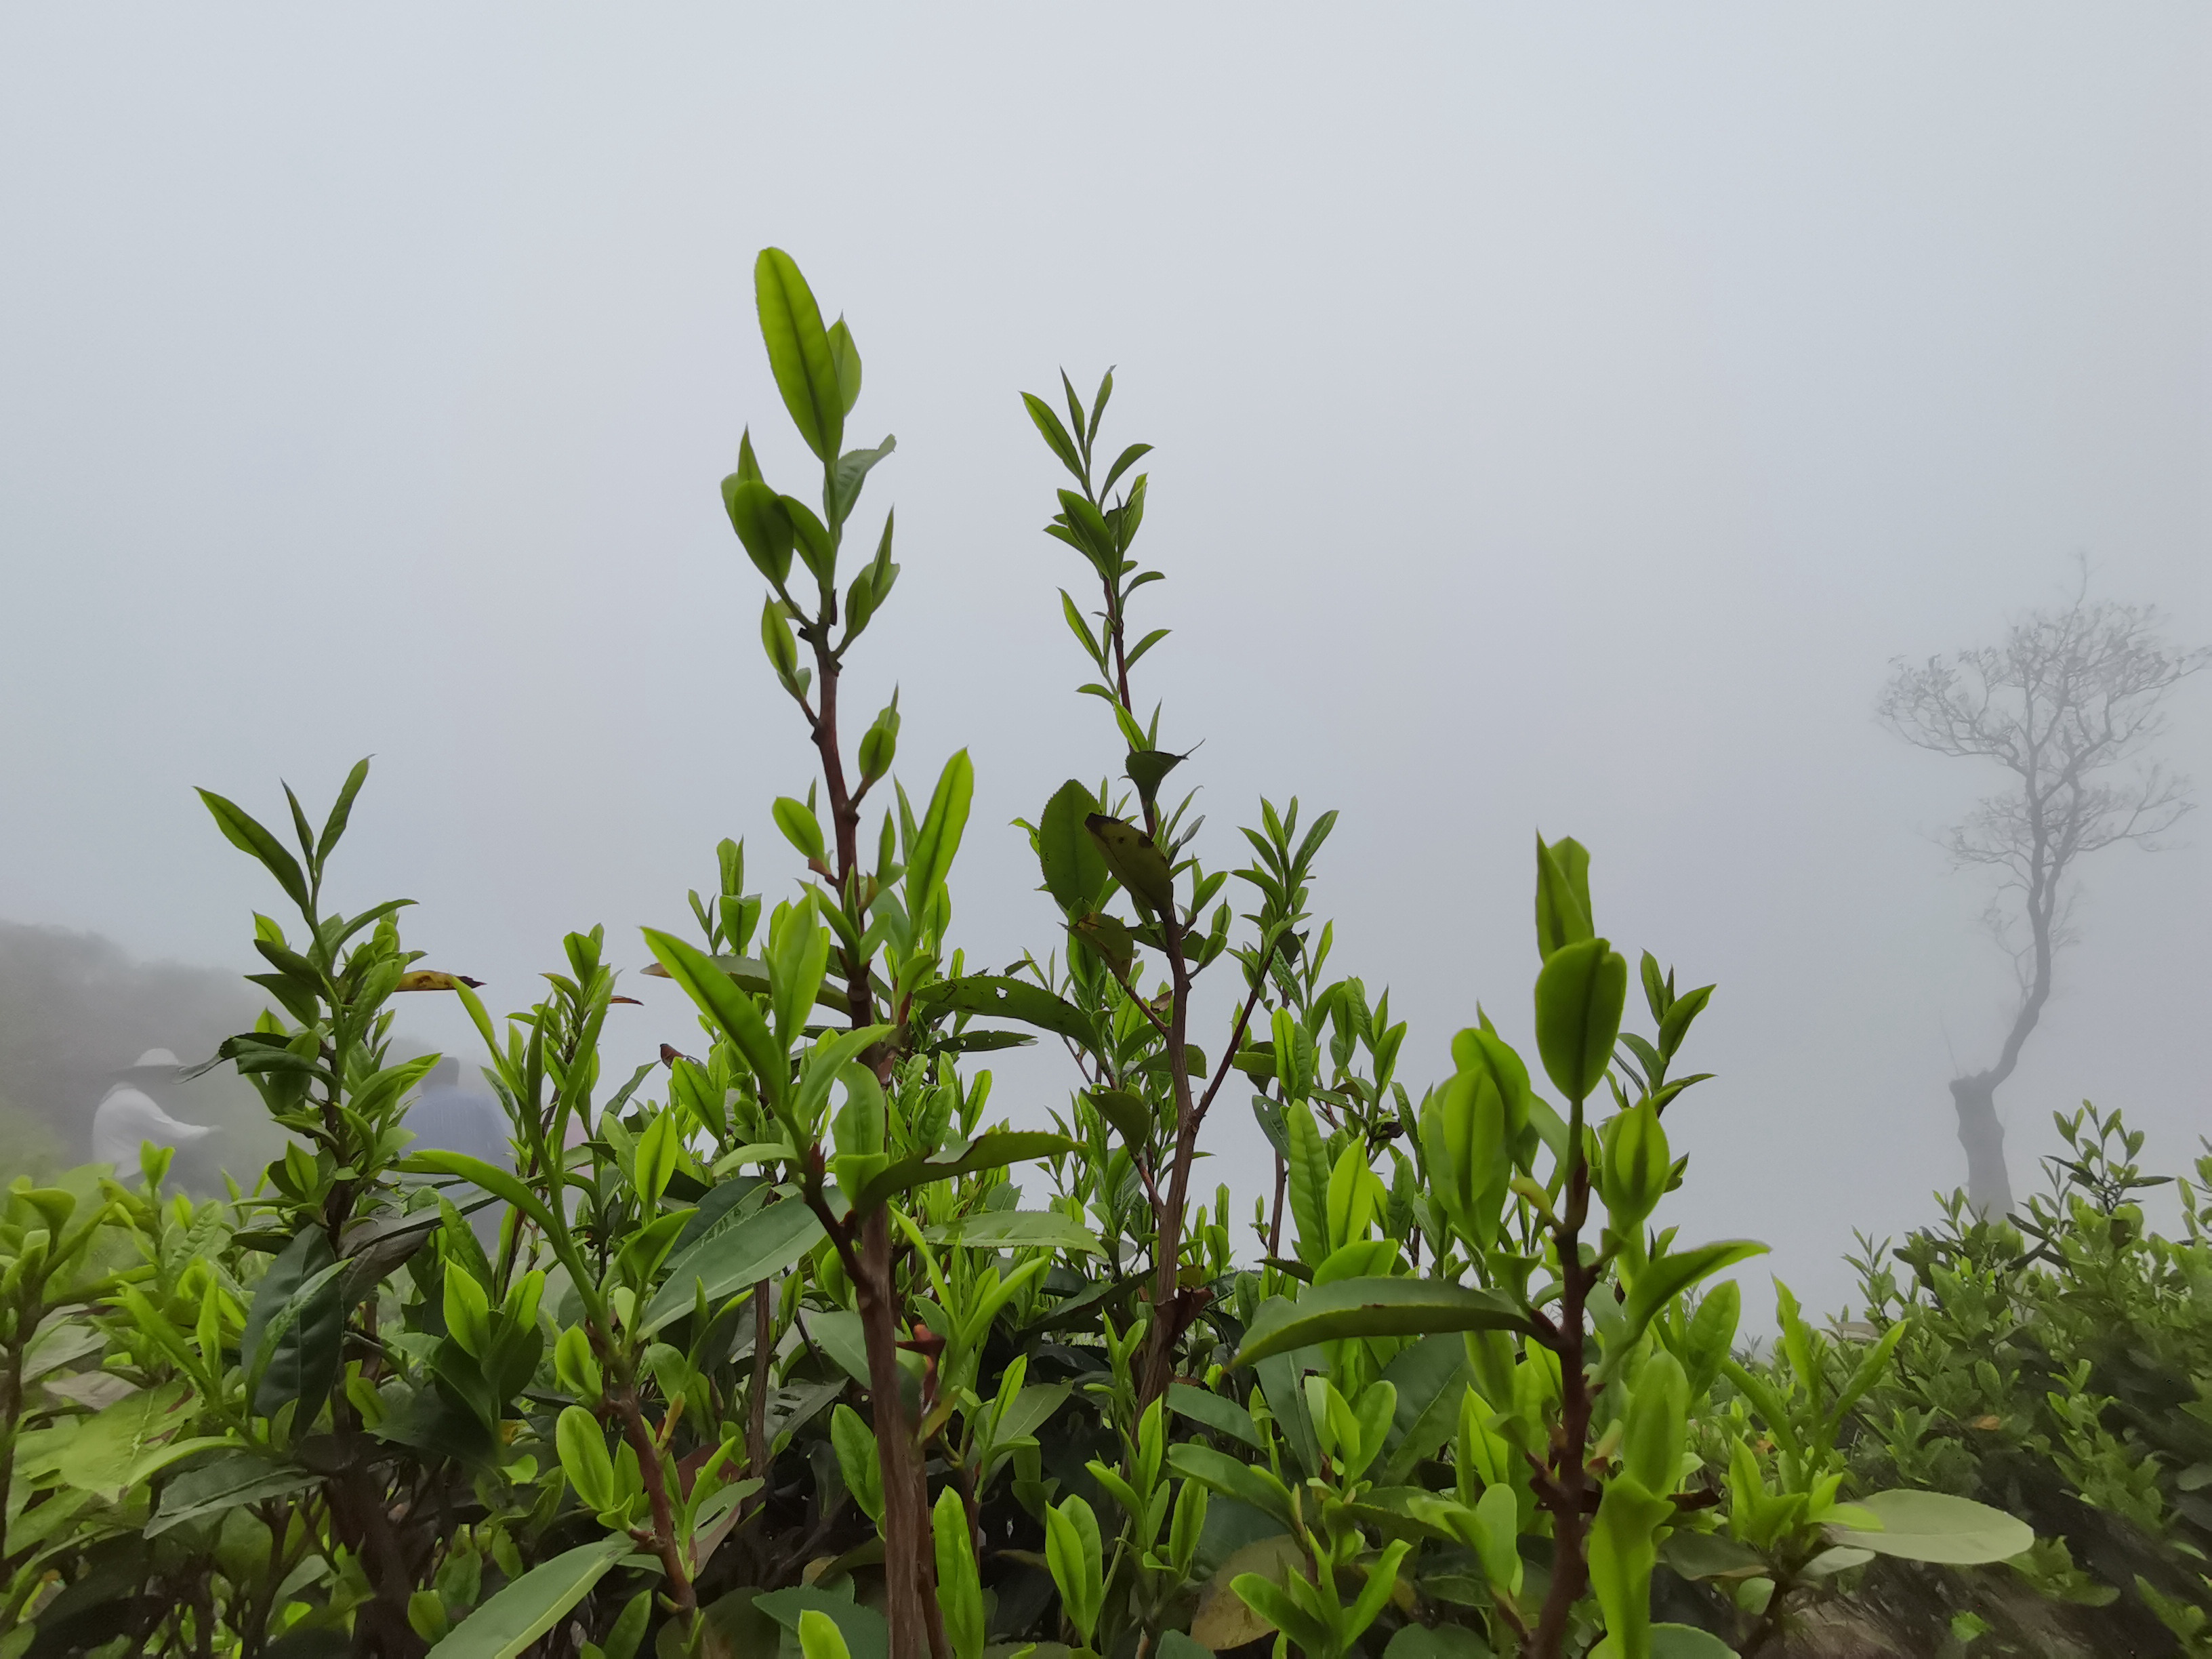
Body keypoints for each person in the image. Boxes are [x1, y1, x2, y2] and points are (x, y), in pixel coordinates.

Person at [91, 1048, 218, 1170]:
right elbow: (174, 1133)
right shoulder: (134, 1101)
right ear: (150, 1077)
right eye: (165, 1078)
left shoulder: (121, 1096)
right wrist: (211, 1131)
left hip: (112, 1171)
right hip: (125, 1175)